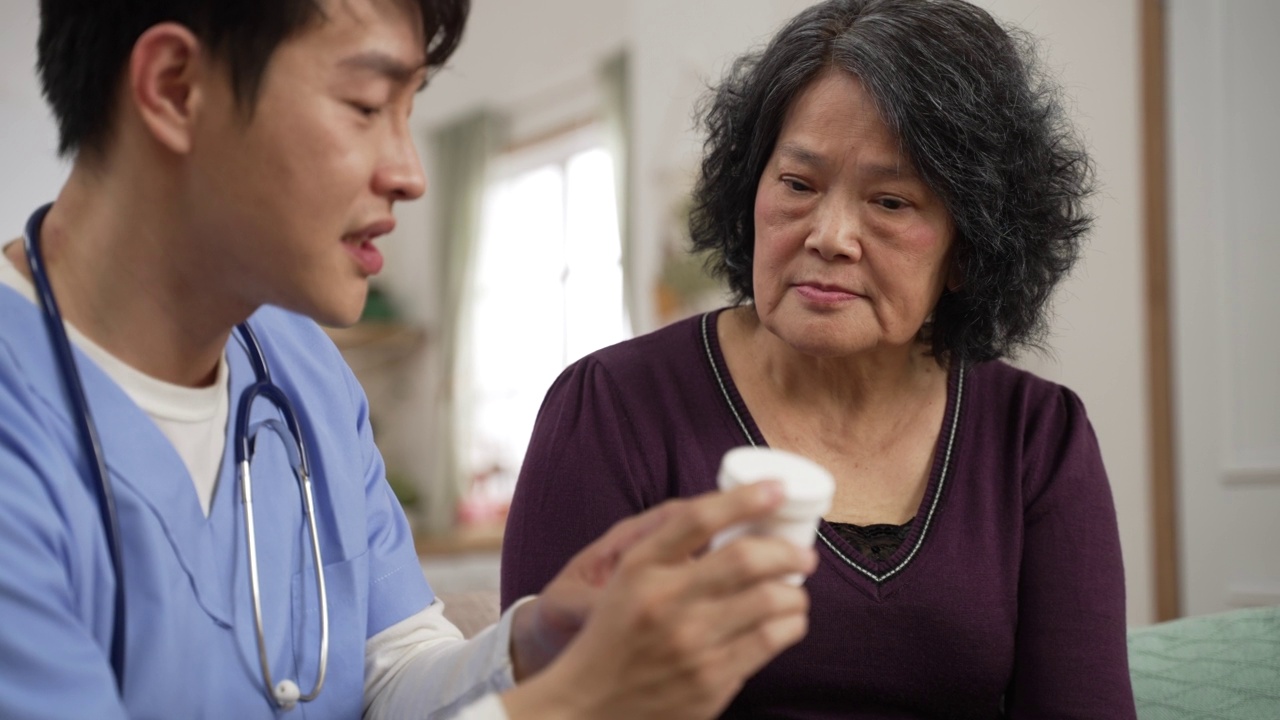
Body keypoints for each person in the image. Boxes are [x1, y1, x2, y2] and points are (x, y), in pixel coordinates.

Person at [0, 0, 820, 718]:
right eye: (365, 105)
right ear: (176, 87)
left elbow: (389, 678)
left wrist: (537, 643)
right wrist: (568, 708)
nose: (411, 173)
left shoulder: (302, 373)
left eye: (411, 109)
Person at [501, 0, 1138, 716]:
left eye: (891, 202)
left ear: (971, 243)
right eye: (798, 185)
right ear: (750, 191)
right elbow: (548, 700)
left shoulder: (1035, 435)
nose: (829, 235)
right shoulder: (612, 406)